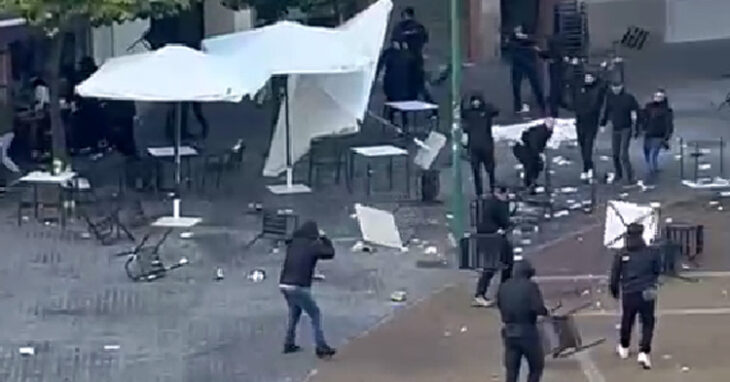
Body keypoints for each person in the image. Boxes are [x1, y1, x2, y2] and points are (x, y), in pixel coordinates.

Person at [279, 221, 337, 359]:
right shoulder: (313, 245)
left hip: (284, 284)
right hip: (299, 285)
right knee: (315, 314)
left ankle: (289, 343)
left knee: (295, 312)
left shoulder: (293, 243)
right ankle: (321, 346)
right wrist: (325, 239)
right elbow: (330, 253)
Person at [610, 223, 661, 370]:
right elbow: (657, 270)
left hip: (629, 291)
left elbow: (615, 275)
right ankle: (644, 351)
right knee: (647, 322)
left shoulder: (621, 254)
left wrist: (615, 291)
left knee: (627, 319)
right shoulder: (652, 252)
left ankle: (624, 346)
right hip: (647, 291)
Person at [497, 260, 548, 382]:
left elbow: (499, 304)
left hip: (509, 332)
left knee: (512, 371)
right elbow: (538, 308)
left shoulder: (504, 286)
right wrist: (545, 312)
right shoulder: (531, 287)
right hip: (527, 332)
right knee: (536, 367)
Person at [473, 186, 513, 307]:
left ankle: (500, 293)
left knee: (503, 263)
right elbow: (505, 222)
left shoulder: (488, 203)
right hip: (494, 239)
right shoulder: (497, 205)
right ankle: (482, 294)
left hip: (490, 238)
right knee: (497, 265)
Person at [601, 80, 639, 185]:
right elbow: (607, 111)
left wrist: (636, 127)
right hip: (616, 128)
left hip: (626, 128)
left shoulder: (628, 98)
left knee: (624, 154)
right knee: (615, 154)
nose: (615, 89)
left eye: (617, 87)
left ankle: (631, 177)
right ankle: (618, 174)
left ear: (622, 87)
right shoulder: (610, 98)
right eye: (614, 87)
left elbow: (635, 111)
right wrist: (603, 123)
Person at [462, 93, 499, 196]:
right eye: (474, 101)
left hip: (486, 145)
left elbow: (495, 111)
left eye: (477, 100)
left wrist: (485, 106)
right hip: (474, 146)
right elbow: (460, 113)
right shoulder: (469, 113)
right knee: (476, 170)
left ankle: (492, 188)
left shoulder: (486, 111)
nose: (475, 103)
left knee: (490, 169)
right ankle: (479, 192)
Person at [573, 72, 607, 181]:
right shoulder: (580, 89)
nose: (587, 79)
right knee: (582, 145)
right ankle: (587, 166)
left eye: (590, 77)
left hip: (591, 122)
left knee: (588, 146)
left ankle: (587, 167)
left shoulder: (598, 89)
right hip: (580, 121)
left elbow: (597, 104)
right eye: (586, 77)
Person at [506, 25, 545, 115]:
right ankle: (518, 106)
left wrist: (524, 39)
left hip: (527, 63)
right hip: (519, 63)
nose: (517, 30)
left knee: (535, 84)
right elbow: (511, 46)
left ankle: (541, 105)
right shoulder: (513, 40)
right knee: (516, 86)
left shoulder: (528, 39)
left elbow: (532, 41)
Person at [377, 40, 417, 124]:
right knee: (399, 105)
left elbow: (381, 65)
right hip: (400, 86)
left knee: (394, 102)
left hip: (394, 85)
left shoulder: (390, 54)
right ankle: (399, 123)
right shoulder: (405, 55)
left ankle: (391, 120)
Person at [513, 118, 554, 192]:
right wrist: (539, 154)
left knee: (537, 164)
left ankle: (532, 181)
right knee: (531, 163)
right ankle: (528, 183)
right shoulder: (540, 131)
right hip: (522, 148)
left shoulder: (546, 131)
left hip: (529, 148)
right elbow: (534, 143)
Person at [640, 89, 673, 177]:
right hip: (648, 133)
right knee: (647, 152)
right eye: (656, 96)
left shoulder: (666, 110)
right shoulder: (648, 107)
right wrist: (642, 128)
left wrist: (667, 136)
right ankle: (652, 169)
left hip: (659, 135)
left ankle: (651, 171)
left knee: (653, 154)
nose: (658, 98)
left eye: (660, 97)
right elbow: (643, 118)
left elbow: (669, 123)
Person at [538, 35, 567, 117]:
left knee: (554, 91)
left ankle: (554, 111)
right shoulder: (559, 51)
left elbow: (546, 55)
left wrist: (539, 52)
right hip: (558, 72)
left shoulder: (554, 51)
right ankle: (557, 106)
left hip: (555, 72)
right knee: (557, 90)